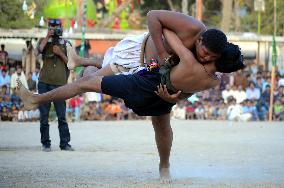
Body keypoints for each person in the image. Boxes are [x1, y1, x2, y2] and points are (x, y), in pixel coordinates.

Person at [17, 28, 245, 182]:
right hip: (161, 98)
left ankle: (36, 99)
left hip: (144, 84)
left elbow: (166, 30)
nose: (203, 54)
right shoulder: (212, 82)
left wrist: (194, 35)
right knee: (162, 127)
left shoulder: (189, 60)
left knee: (86, 82)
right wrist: (172, 99)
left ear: (215, 57)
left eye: (209, 53)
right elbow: (185, 93)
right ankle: (164, 167)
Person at [34, 19, 74, 152]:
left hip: (60, 85)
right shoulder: (44, 41)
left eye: (56, 27)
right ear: (48, 27)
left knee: (61, 116)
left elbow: (72, 64)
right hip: (44, 83)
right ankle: (46, 143)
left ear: (61, 28)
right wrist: (47, 36)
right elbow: (37, 52)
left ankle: (65, 144)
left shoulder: (66, 43)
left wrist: (60, 53)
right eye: (52, 27)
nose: (54, 29)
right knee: (44, 116)